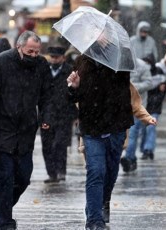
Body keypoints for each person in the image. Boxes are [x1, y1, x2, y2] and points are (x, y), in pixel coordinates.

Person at [0, 31, 51, 230]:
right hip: (2, 130)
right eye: (30, 51)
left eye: (37, 52)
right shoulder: (1, 63)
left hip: (26, 132)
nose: (34, 56)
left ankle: (4, 207)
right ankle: (6, 223)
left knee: (23, 178)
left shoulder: (41, 65)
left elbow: (47, 94)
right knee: (4, 178)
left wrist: (46, 116)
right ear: (19, 47)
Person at [66, 53, 134, 230]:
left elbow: (122, 91)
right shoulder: (81, 62)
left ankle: (102, 201)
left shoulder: (120, 60)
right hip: (92, 128)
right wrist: (73, 87)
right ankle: (94, 220)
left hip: (116, 126)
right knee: (96, 171)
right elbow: (73, 98)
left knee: (110, 172)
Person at [40, 46, 78, 184]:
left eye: (56, 57)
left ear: (63, 57)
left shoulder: (69, 71)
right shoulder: (44, 71)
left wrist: (75, 115)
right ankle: (52, 173)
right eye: (52, 56)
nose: (54, 59)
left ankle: (61, 171)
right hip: (47, 114)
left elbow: (76, 94)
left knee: (59, 144)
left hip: (64, 113)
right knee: (47, 145)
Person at [120, 58, 153, 172]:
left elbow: (149, 83)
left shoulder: (142, 66)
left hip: (137, 107)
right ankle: (132, 157)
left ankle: (128, 158)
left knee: (132, 134)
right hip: (121, 107)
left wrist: (133, 87)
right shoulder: (118, 64)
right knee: (123, 135)